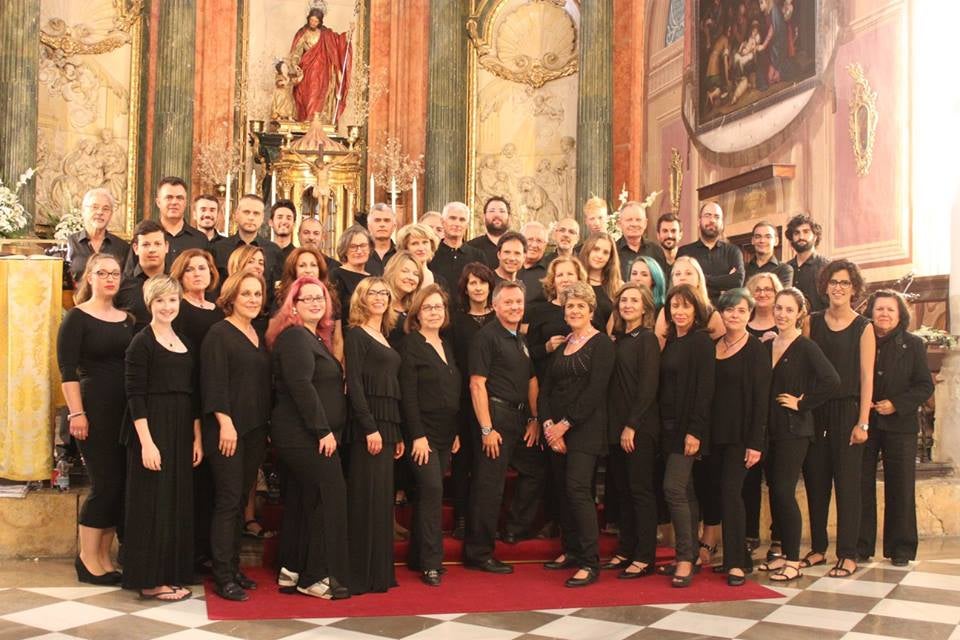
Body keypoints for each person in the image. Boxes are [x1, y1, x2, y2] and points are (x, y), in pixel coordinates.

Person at [266, 276, 350, 600]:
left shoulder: (312, 337)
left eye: (320, 298)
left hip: (306, 436)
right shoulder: (296, 338)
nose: (316, 303)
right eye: (308, 299)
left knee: (305, 501)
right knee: (329, 497)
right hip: (304, 436)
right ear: (294, 305)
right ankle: (314, 577)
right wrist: (323, 430)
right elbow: (301, 386)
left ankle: (292, 570)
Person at [121, 275, 201, 601]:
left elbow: (193, 393)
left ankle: (170, 573)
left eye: (172, 300)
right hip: (152, 426)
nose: (167, 307)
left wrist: (196, 438)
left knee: (174, 501)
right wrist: (147, 442)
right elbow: (134, 395)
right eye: (160, 301)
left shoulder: (184, 341)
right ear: (149, 304)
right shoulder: (141, 341)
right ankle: (150, 580)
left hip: (181, 428)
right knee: (151, 503)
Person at [58, 253, 134, 586]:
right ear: (89, 276)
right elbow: (68, 370)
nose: (109, 278)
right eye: (102, 272)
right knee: (104, 485)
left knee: (120, 486)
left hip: (125, 412)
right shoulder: (76, 318)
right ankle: (87, 559)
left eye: (115, 273)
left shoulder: (128, 319)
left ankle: (104, 557)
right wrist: (77, 413)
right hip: (95, 408)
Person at [801, 259, 875, 578]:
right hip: (816, 410)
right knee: (816, 482)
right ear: (825, 286)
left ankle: (847, 553)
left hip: (847, 411)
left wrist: (863, 422)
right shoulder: (812, 322)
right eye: (834, 282)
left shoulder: (864, 326)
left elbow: (866, 377)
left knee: (847, 485)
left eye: (845, 282)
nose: (839, 288)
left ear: (854, 288)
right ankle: (818, 548)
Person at [201, 272, 272, 601]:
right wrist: (225, 422)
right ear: (231, 297)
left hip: (255, 428)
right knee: (228, 501)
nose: (253, 299)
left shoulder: (257, 332)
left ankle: (234, 568)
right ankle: (222, 574)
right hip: (227, 429)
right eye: (246, 293)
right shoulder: (219, 333)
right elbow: (213, 382)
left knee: (242, 497)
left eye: (257, 293)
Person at [760, 287, 839, 583]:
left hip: (795, 430)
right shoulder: (767, 343)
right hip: (770, 430)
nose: (781, 313)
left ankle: (792, 560)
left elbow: (832, 380)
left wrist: (802, 403)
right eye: (778, 308)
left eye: (788, 309)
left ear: (799, 314)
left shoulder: (806, 347)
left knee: (783, 491)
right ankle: (780, 554)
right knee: (775, 493)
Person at [463, 280, 543, 572]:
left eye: (518, 302)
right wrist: (486, 428)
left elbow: (532, 380)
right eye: (508, 302)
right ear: (494, 306)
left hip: (520, 419)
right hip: (494, 418)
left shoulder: (518, 338)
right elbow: (476, 385)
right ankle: (479, 553)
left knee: (535, 468)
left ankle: (514, 528)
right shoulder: (487, 337)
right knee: (489, 487)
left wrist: (534, 418)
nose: (514, 307)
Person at [540, 282, 615, 587]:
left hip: (585, 430)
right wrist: (548, 426)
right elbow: (546, 389)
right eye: (570, 306)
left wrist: (565, 424)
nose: (573, 310)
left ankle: (589, 561)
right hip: (556, 431)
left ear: (591, 311)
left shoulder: (602, 345)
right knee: (562, 491)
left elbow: (595, 392)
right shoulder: (563, 344)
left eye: (580, 306)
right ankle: (570, 550)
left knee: (578, 491)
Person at [858, 290, 934, 566]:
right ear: (871, 312)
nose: (884, 314)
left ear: (900, 314)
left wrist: (897, 404)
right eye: (879, 309)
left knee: (900, 486)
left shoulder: (913, 344)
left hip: (900, 425)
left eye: (890, 309)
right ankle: (860, 545)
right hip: (865, 423)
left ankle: (900, 548)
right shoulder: (861, 338)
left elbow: (924, 385)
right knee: (861, 485)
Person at [344, 277, 405, 594]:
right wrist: (369, 428)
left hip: (388, 426)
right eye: (373, 293)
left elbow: (390, 388)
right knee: (365, 499)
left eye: (384, 292)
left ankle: (379, 573)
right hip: (367, 428)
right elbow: (354, 384)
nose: (379, 297)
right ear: (361, 299)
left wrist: (395, 432)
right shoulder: (356, 335)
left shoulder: (384, 335)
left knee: (381, 501)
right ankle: (360, 575)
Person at [400, 285, 461, 586]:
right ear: (417, 314)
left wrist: (455, 433)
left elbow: (451, 391)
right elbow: (408, 395)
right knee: (432, 491)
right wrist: (417, 436)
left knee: (429, 494)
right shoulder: (412, 344)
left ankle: (418, 556)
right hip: (423, 435)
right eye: (428, 308)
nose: (435, 312)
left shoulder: (446, 344)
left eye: (439, 307)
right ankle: (431, 563)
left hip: (445, 434)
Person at [655, 284, 715, 588]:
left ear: (696, 310)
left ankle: (683, 558)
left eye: (685, 306)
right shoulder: (671, 341)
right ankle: (689, 556)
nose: (679, 311)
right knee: (686, 493)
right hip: (666, 426)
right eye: (674, 305)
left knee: (673, 489)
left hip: (687, 429)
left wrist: (695, 431)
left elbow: (705, 391)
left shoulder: (701, 342)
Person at [710, 288, 771, 586]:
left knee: (731, 493)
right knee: (720, 493)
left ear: (749, 314)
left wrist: (755, 442)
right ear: (721, 313)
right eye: (730, 310)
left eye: (741, 311)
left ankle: (735, 562)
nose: (734, 315)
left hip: (741, 436)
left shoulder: (757, 349)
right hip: (714, 434)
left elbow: (762, 400)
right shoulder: (713, 346)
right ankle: (740, 557)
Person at [169, 249, 223, 572]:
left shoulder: (217, 311)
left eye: (202, 268)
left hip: (212, 397)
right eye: (190, 269)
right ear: (180, 275)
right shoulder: (179, 310)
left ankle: (203, 552)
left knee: (209, 484)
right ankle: (184, 555)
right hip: (187, 395)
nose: (197, 273)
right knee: (188, 479)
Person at [604, 283, 660, 579]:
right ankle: (626, 549)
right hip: (615, 429)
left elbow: (648, 387)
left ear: (645, 307)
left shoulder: (647, 340)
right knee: (623, 492)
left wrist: (631, 426)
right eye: (623, 300)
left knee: (640, 492)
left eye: (634, 300)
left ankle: (644, 556)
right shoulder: (618, 339)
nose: (627, 305)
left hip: (639, 429)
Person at [448, 262, 498, 539]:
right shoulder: (456, 320)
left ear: (491, 286)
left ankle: (484, 519)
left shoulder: (499, 318)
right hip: (464, 398)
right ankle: (462, 518)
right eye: (472, 283)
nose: (477, 287)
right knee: (463, 461)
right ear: (465, 288)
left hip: (496, 398)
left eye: (482, 282)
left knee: (487, 464)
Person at [742, 271, 784, 558]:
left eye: (769, 289)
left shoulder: (785, 324)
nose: (763, 293)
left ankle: (779, 538)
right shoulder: (741, 323)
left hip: (778, 411)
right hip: (748, 409)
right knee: (748, 479)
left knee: (778, 479)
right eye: (758, 289)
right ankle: (749, 534)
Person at [128, 176, 208, 274]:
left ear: (186, 203)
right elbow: (130, 275)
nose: (174, 202)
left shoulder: (200, 239)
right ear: (158, 202)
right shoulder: (144, 236)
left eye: (179, 198)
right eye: (169, 197)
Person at [524, 256, 587, 379]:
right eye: (560, 275)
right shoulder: (539, 312)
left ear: (579, 278)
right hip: (548, 380)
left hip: (581, 380)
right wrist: (546, 348)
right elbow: (528, 352)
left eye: (570, 274)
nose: (565, 279)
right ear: (552, 281)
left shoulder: (589, 310)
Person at [211, 194, 283, 298]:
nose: (251, 217)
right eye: (246, 212)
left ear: (262, 218)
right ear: (236, 215)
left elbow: (277, 292)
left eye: (256, 213)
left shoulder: (274, 251)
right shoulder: (218, 249)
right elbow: (213, 288)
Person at [289, 8, 352, 123]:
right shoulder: (303, 33)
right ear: (308, 19)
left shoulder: (326, 34)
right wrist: (295, 64)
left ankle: (314, 119)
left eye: (315, 21)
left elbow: (338, 41)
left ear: (320, 22)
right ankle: (306, 117)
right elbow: (296, 51)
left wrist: (348, 35)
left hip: (322, 70)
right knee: (305, 94)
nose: (313, 23)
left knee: (317, 93)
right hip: (307, 68)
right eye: (311, 20)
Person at [677, 202, 744, 304]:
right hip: (693, 311)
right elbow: (682, 284)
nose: (712, 220)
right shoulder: (685, 252)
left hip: (724, 315)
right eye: (707, 216)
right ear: (699, 221)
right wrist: (724, 283)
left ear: (722, 223)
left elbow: (737, 281)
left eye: (717, 217)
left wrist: (698, 278)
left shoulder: (733, 251)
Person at [654, 256, 725, 343]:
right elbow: (658, 348)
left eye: (688, 273)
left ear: (699, 279)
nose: (682, 278)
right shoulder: (665, 311)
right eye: (677, 274)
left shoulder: (712, 314)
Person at [66, 188, 130, 284]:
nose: (100, 212)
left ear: (111, 214)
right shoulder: (70, 243)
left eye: (106, 209)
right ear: (83, 211)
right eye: (94, 207)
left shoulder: (123, 247)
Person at [116, 220, 169, 332]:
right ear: (136, 248)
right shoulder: (120, 284)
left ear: (166, 247)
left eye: (157, 244)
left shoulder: (177, 281)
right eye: (146, 244)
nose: (152, 250)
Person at [429, 201, 485, 291]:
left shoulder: (478, 256)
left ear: (467, 225)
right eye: (452, 218)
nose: (457, 224)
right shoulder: (431, 253)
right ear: (443, 222)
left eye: (462, 220)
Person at [785, 213, 829, 312]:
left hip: (819, 325)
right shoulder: (785, 268)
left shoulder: (827, 267)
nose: (801, 237)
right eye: (796, 233)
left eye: (806, 232)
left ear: (815, 237)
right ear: (792, 238)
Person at [579, 232, 622, 331]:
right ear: (587, 250)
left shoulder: (618, 286)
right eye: (596, 249)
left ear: (610, 258)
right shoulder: (575, 281)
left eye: (605, 252)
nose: (600, 256)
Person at [383, 250, 424, 348]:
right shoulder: (380, 303)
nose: (411, 277)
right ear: (392, 272)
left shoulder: (414, 308)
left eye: (416, 274)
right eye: (405, 271)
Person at [617, 201, 668, 279]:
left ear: (645, 223)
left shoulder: (656, 251)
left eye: (638, 220)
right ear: (619, 224)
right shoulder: (613, 251)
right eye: (629, 220)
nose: (634, 224)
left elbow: (663, 283)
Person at [331, 224, 372, 307]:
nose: (359, 251)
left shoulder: (372, 278)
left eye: (363, 245)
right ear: (344, 250)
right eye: (353, 247)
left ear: (370, 248)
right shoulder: (336, 275)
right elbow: (334, 312)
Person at [467, 196, 511, 268]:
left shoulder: (518, 248)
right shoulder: (471, 248)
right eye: (492, 211)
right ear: (484, 217)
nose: (497, 215)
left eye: (502, 211)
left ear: (509, 217)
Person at [746, 221, 793, 287]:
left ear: (776, 241)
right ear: (752, 240)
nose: (762, 240)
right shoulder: (743, 269)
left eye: (768, 237)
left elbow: (782, 297)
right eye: (758, 237)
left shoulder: (784, 270)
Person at [397, 223, 444, 288]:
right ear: (405, 248)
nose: (421, 248)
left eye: (425, 242)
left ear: (431, 245)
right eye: (415, 243)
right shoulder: (398, 278)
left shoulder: (441, 282)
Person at [745, 272, 783, 341]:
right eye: (757, 290)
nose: (762, 294)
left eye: (767, 289)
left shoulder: (784, 323)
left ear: (776, 293)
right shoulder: (742, 324)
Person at [518, 221, 549, 302]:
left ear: (545, 245)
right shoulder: (509, 266)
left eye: (539, 241)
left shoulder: (551, 272)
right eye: (530, 239)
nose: (534, 245)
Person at [364, 203, 397, 276]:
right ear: (369, 226)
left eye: (386, 220)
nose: (382, 224)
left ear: (394, 226)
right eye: (377, 220)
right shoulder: (361, 254)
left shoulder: (400, 255)